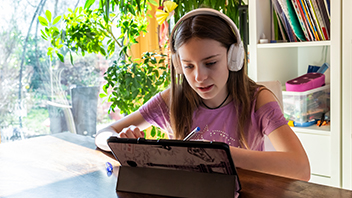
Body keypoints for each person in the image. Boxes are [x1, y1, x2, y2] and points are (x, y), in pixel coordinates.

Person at [95, 8, 310, 181]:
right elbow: (103, 134)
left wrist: (222, 155)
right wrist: (119, 140)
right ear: (178, 65)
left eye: (211, 63)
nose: (199, 77)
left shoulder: (258, 99)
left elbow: (300, 168)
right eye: (188, 66)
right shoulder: (173, 99)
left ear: (234, 57)